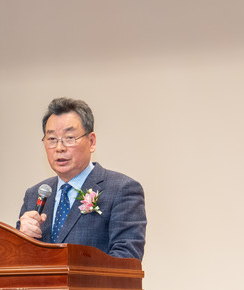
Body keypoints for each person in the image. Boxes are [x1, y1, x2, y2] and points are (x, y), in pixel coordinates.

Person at [17, 97, 147, 260]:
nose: (59, 148)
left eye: (69, 138)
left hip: (91, 285)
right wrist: (21, 240)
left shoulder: (121, 189)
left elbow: (127, 259)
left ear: (91, 142)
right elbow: (18, 262)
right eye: (51, 139)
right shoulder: (34, 194)